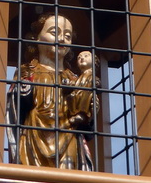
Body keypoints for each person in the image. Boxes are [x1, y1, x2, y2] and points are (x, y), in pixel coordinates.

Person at [7, 12, 97, 170]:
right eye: (54, 33)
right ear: (37, 38)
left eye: (67, 36)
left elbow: (87, 116)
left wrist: (88, 102)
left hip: (68, 134)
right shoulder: (28, 71)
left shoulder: (74, 79)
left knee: (68, 179)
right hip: (35, 133)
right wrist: (24, 89)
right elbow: (16, 105)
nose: (61, 39)